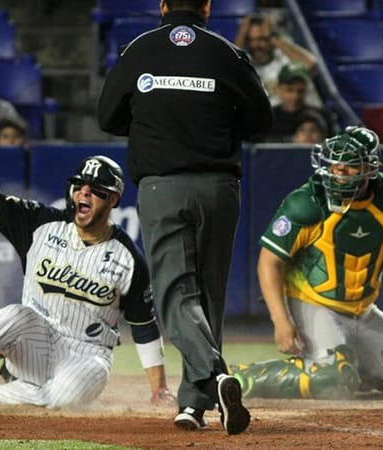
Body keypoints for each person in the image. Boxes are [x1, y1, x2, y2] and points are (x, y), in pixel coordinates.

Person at [0, 114, 175, 414]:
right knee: (13, 314)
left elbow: (144, 327)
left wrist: (159, 390)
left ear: (114, 200)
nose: (84, 193)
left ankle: (9, 395)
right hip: (35, 339)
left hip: (88, 355)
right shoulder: (41, 224)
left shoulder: (128, 258)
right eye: (79, 186)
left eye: (95, 190)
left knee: (62, 400)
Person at [97, 0, 273, 435]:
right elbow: (262, 120)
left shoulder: (139, 50)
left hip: (163, 186)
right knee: (207, 296)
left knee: (176, 294)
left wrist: (154, 116)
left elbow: (107, 116)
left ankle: (214, 375)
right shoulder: (227, 53)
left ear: (162, 6)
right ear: (207, 8)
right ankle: (193, 404)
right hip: (219, 188)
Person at [230, 127, 383, 400]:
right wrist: (281, 321)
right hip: (310, 302)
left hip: (362, 310)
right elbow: (269, 263)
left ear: (369, 167)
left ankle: (362, 371)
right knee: (333, 376)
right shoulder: (307, 202)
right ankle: (243, 378)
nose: (339, 173)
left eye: (350, 167)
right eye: (335, 166)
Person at [234, 13, 320, 106]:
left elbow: (310, 65)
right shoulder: (245, 63)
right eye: (251, 40)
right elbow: (228, 71)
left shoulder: (284, 58)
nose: (256, 45)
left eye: (262, 39)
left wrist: (273, 36)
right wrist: (241, 35)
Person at [262, 62, 333, 142]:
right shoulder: (267, 119)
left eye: (300, 91)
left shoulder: (321, 117)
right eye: (289, 90)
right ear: (278, 88)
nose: (295, 97)